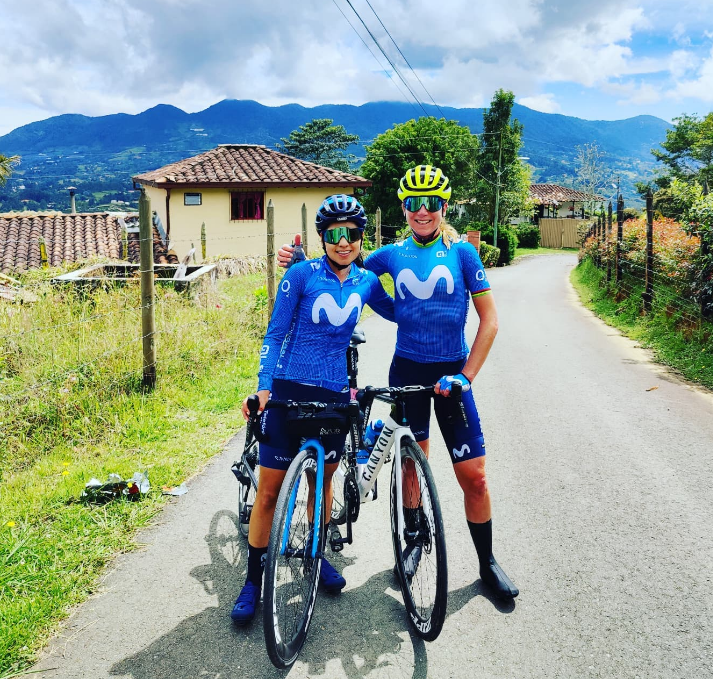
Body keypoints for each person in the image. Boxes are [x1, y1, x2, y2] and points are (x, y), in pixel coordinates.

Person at [278, 166, 518, 599]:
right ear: (403, 209)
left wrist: (465, 377)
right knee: (411, 462)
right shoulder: (389, 255)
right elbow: (339, 263)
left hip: (452, 376)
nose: (422, 212)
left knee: (475, 477)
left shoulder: (463, 254)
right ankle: (414, 540)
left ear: (445, 207)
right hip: (406, 371)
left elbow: (491, 322)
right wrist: (298, 263)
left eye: (431, 204)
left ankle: (487, 563)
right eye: (412, 204)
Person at [231, 194, 395, 625]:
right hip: (287, 392)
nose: (344, 242)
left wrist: (446, 302)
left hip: (333, 397)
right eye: (335, 234)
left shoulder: (366, 282)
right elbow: (274, 333)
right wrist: (264, 389)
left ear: (363, 238)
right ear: (324, 238)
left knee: (321, 488)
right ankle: (253, 580)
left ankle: (316, 555)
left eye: (353, 234)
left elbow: (402, 312)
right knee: (269, 492)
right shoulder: (301, 274)